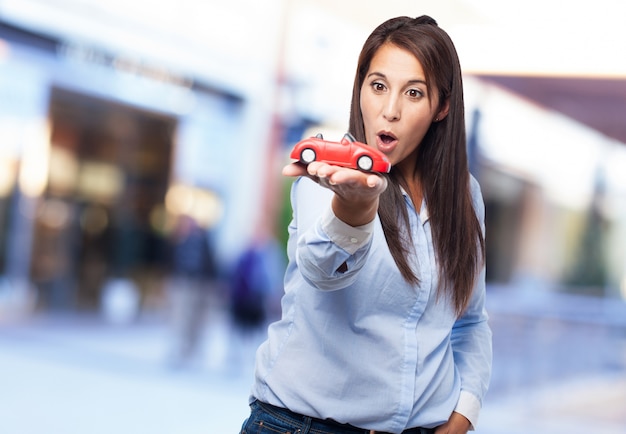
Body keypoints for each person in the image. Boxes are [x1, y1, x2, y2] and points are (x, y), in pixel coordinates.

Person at [239, 15, 491, 434]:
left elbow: (471, 320)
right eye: (378, 86)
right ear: (360, 90)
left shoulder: (464, 195)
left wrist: (463, 416)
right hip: (301, 425)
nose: (389, 111)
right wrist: (354, 210)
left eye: (413, 93)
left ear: (442, 107)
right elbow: (321, 273)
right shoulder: (330, 174)